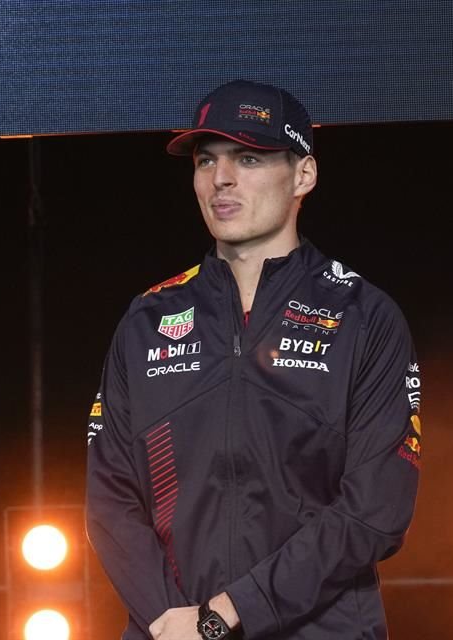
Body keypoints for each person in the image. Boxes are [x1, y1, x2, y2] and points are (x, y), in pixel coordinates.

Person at [85, 79, 423, 640]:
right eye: (205, 160)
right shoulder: (145, 320)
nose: (221, 178)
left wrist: (227, 613)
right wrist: (171, 621)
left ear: (303, 175)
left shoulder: (365, 315)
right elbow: (109, 501)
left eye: (248, 157)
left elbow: (376, 508)